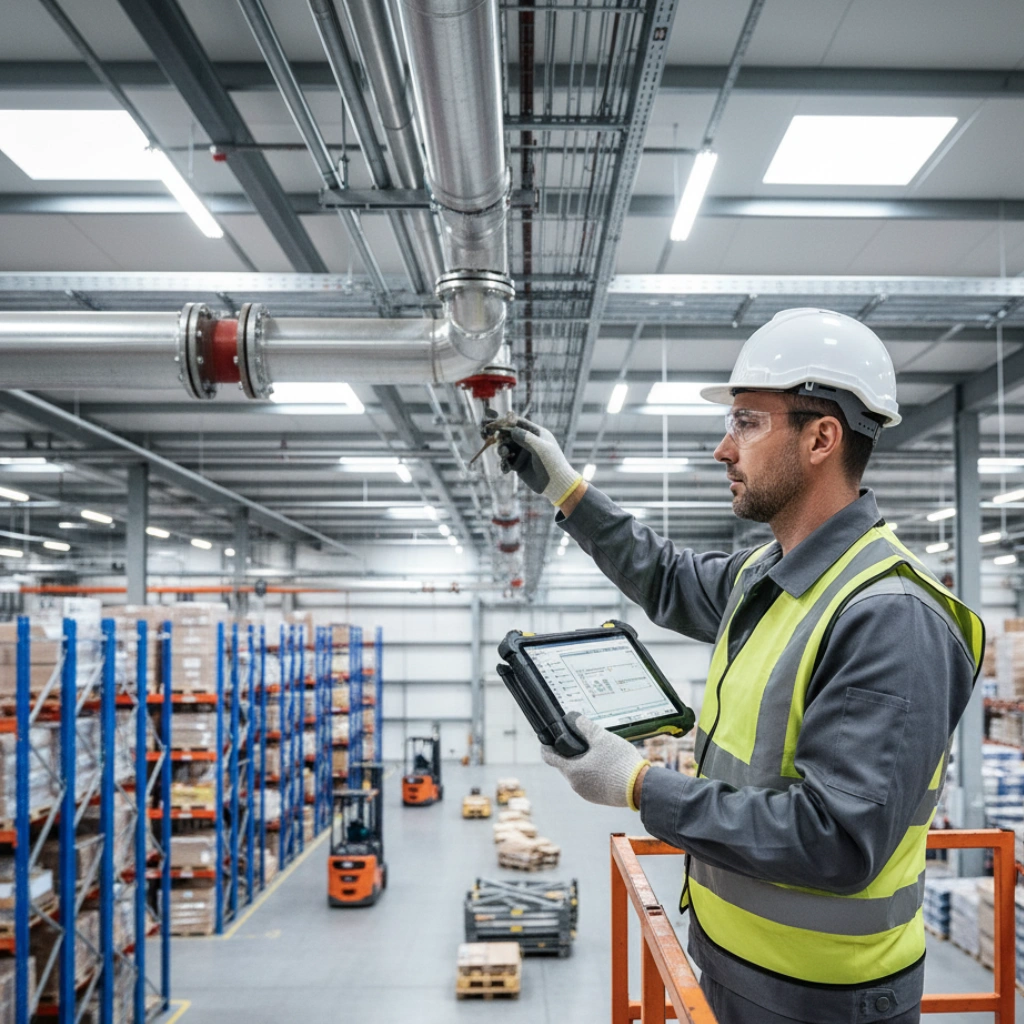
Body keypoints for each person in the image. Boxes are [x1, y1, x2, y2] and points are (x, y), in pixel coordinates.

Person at [493, 309, 983, 1024]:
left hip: (824, 999)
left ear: (822, 437)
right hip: (735, 964)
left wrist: (640, 786)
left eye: (748, 422)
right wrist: (567, 490)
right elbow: (666, 579)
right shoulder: (772, 573)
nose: (724, 448)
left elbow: (835, 839)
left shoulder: (889, 615)